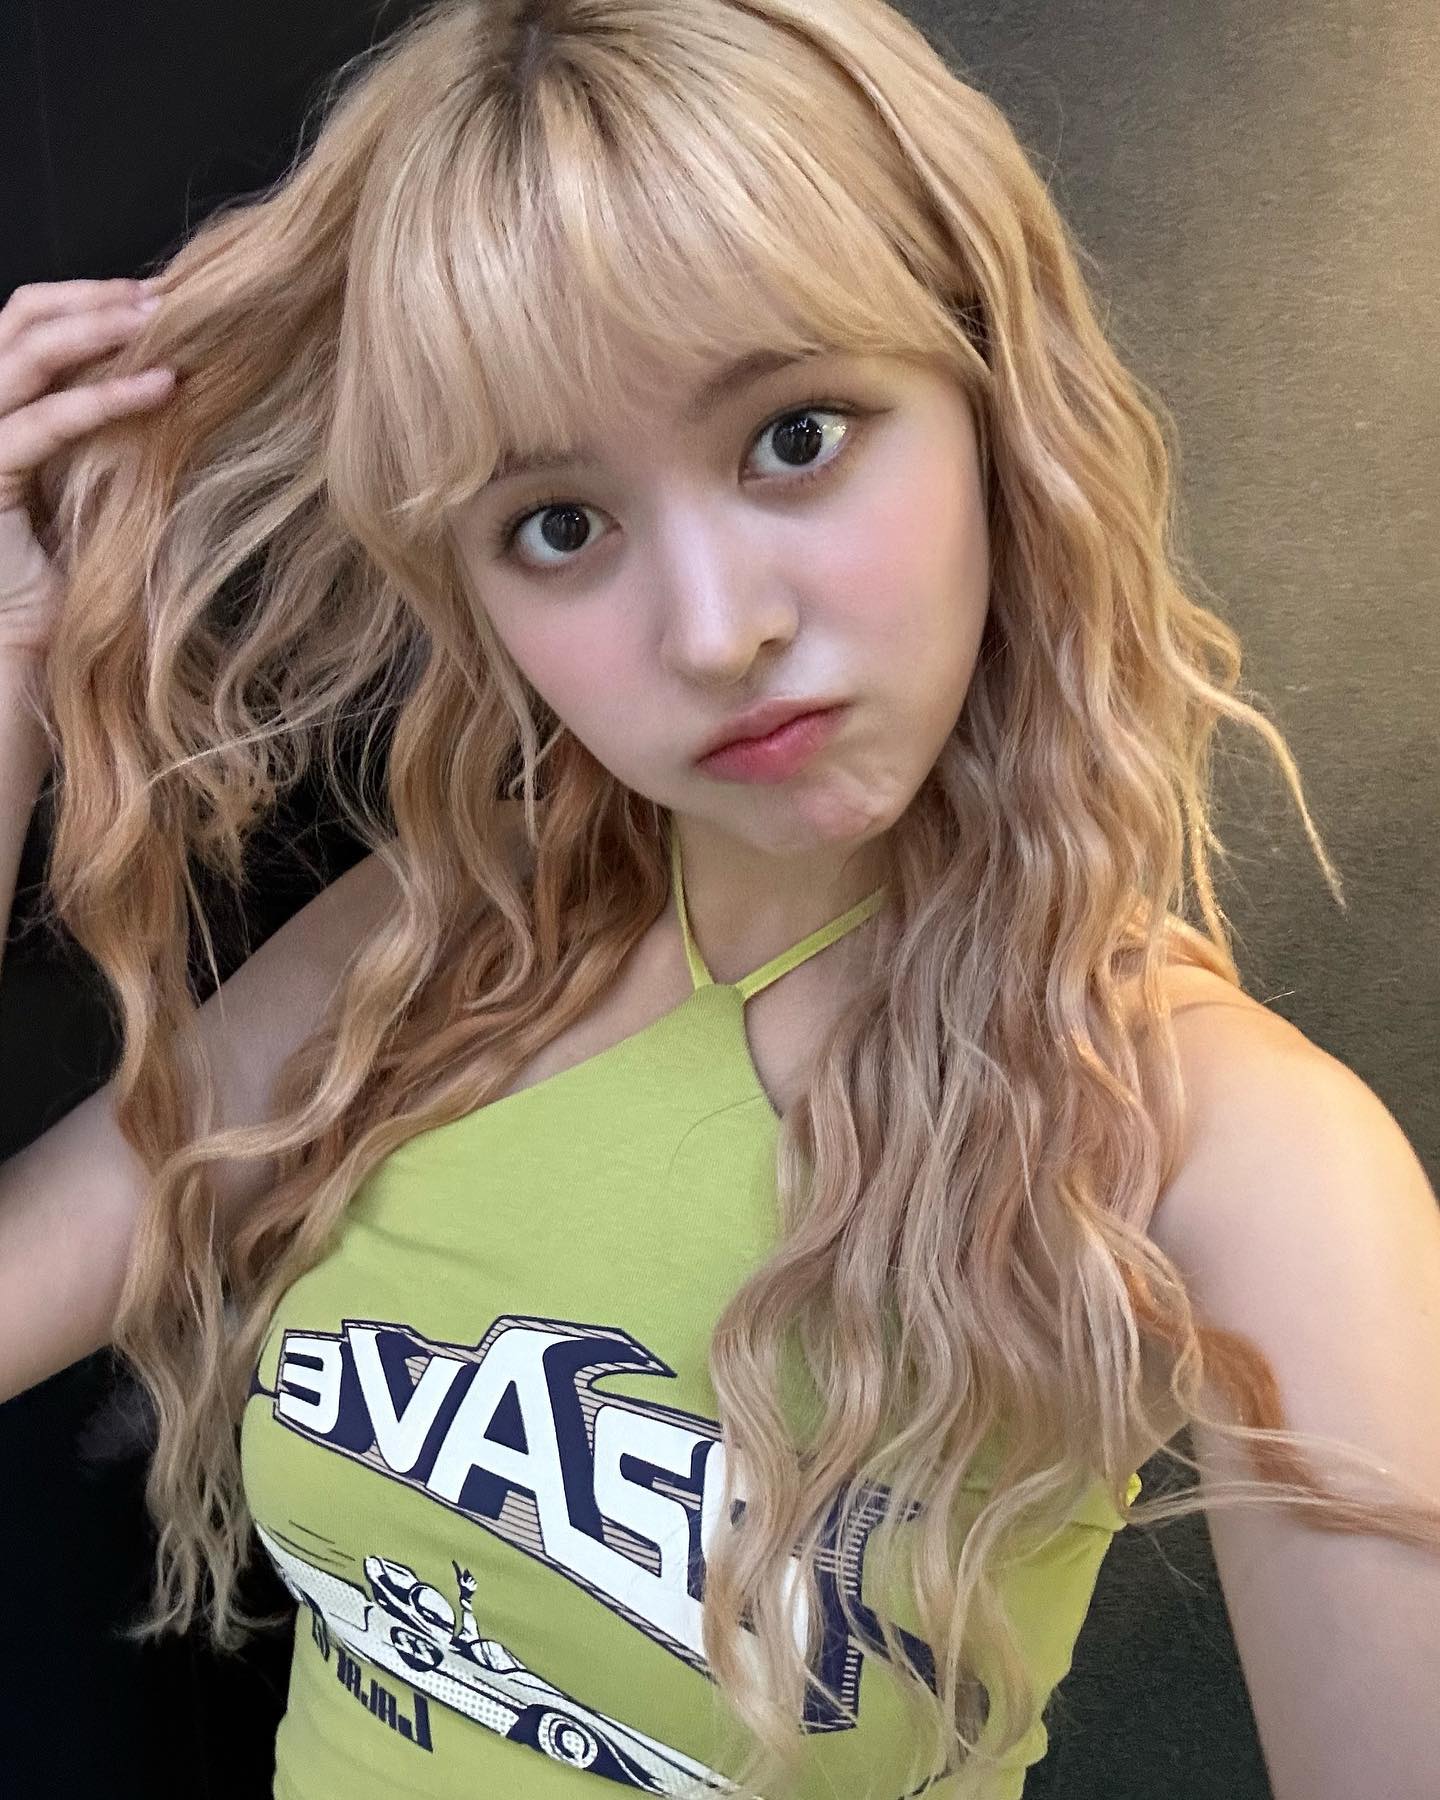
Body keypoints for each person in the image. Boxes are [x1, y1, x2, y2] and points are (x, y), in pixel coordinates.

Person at [1, 1, 1437, 1796]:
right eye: (556, 524)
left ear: (996, 403)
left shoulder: (1223, 1148)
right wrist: (11, 653)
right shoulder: (437, 954)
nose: (713, 630)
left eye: (796, 434)